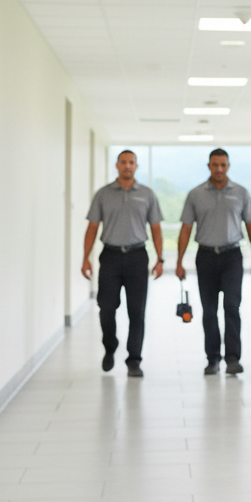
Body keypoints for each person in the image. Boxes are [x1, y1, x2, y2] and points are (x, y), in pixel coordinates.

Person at [176, 148, 251, 375]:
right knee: (209, 310)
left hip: (232, 256)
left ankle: (233, 358)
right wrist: (179, 261)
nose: (219, 169)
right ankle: (213, 358)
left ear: (228, 166)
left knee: (232, 307)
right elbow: (186, 229)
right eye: (215, 165)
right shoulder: (195, 195)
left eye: (223, 165)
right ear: (208, 166)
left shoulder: (241, 193)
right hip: (205, 257)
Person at [82, 149, 164, 378]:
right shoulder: (103, 194)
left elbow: (156, 228)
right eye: (123, 162)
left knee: (137, 311)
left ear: (136, 166)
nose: (127, 166)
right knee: (106, 308)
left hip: (138, 257)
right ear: (117, 165)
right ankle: (110, 346)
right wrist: (85, 257)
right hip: (110, 256)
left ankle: (134, 360)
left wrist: (160, 259)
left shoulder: (147, 194)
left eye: (132, 162)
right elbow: (92, 227)